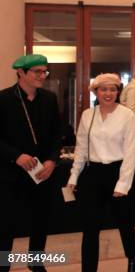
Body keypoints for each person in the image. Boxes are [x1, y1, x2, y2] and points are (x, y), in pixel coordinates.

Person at [66, 73, 135, 272]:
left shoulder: (127, 115)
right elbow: (81, 149)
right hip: (92, 174)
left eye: (113, 89)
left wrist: (123, 184)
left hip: (118, 171)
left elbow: (130, 153)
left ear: (118, 92)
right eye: (103, 89)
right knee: (90, 229)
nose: (108, 93)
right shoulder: (88, 115)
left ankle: (132, 262)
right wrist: (73, 176)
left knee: (125, 223)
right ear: (95, 92)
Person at [0, 54, 63, 272]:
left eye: (44, 71)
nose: (42, 76)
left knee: (40, 222)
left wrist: (52, 160)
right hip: (10, 174)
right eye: (37, 71)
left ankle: (36, 262)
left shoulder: (49, 99)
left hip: (42, 172)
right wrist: (16, 156)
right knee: (6, 226)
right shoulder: (4, 99)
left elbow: (58, 134)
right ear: (21, 73)